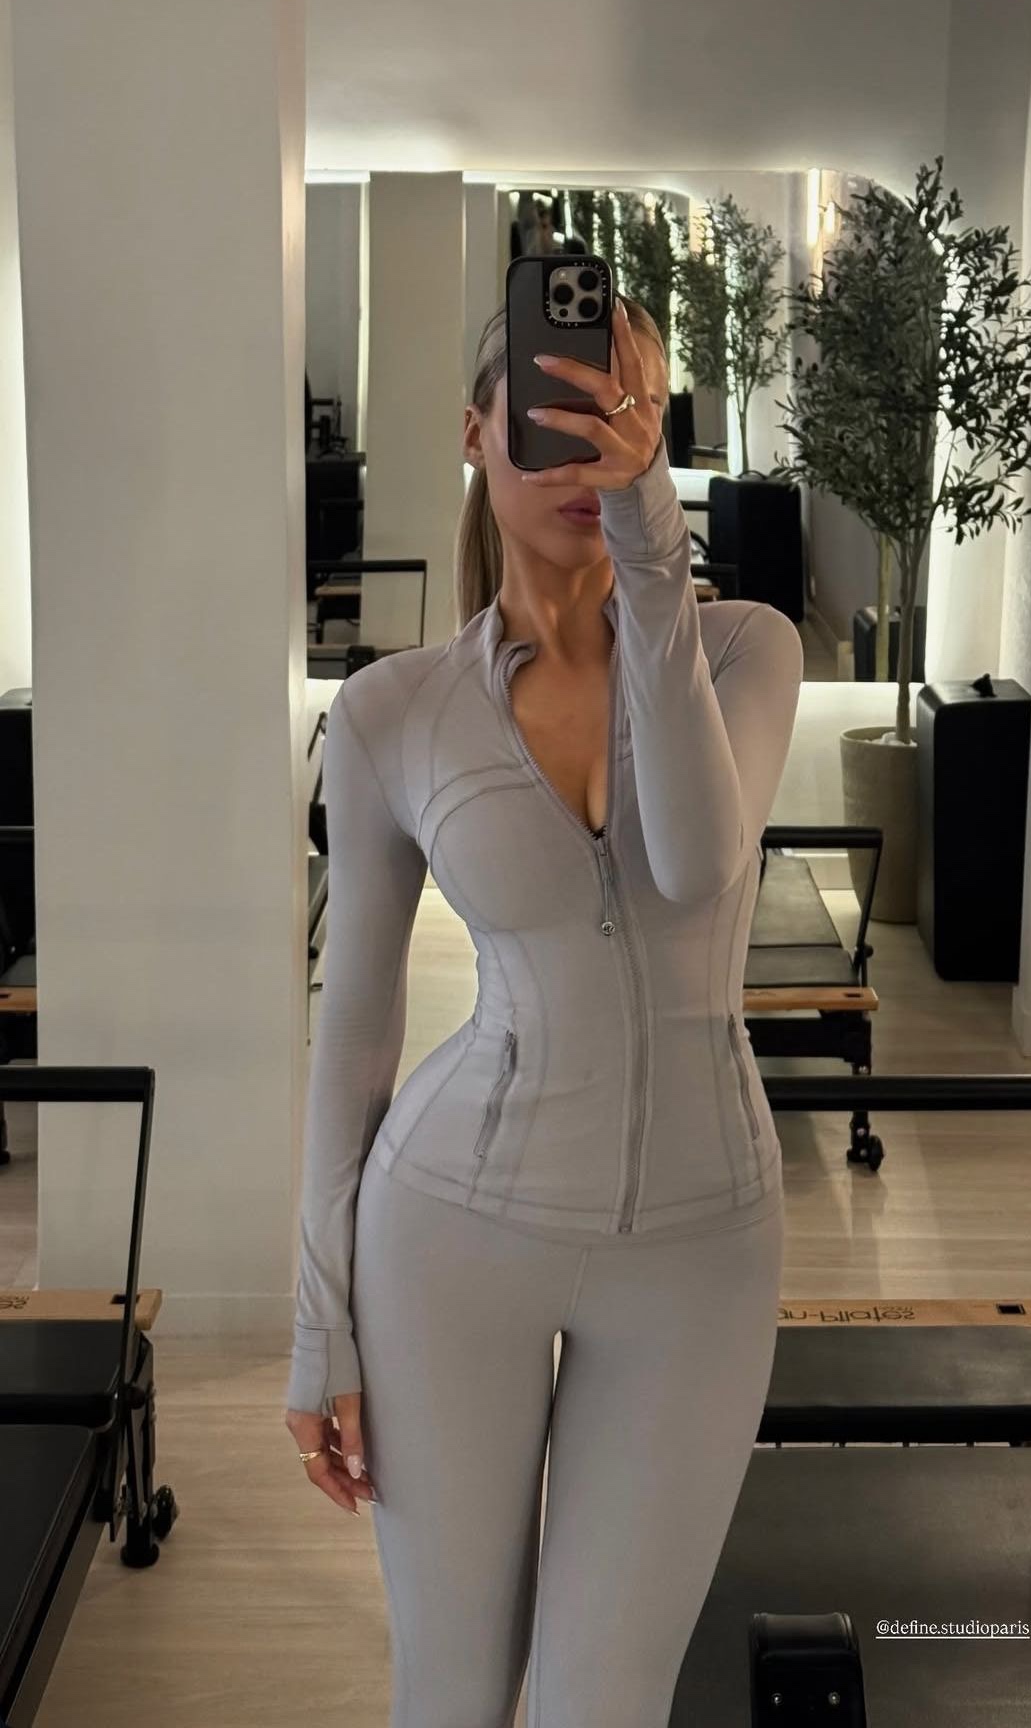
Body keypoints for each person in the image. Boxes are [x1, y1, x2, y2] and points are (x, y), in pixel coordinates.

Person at [284, 296, 804, 1727]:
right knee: (451, 1696)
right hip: (448, 1240)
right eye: (555, 409)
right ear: (475, 431)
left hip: (700, 1251)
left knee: (603, 1703)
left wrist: (651, 542)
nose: (591, 445)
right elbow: (356, 1038)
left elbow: (693, 861)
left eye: (626, 411)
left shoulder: (746, 652)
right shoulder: (390, 712)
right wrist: (320, 1323)